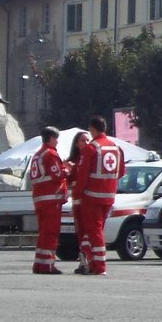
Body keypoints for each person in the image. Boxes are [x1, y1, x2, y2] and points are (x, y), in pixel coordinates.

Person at [71, 114, 121, 275]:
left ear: (92, 129)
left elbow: (83, 176)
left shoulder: (91, 148)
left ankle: (99, 265)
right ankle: (90, 261)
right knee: (94, 230)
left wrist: (77, 196)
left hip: (92, 197)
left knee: (94, 231)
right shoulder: (115, 147)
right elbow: (121, 172)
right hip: (109, 196)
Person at [29, 126, 71, 274]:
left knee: (43, 233)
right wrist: (67, 169)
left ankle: (39, 264)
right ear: (52, 138)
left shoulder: (37, 154)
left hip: (40, 199)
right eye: (56, 139)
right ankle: (47, 265)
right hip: (51, 199)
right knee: (51, 232)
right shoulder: (50, 154)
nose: (58, 142)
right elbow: (57, 175)